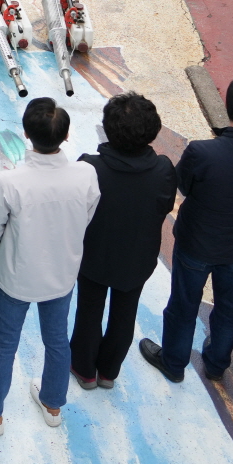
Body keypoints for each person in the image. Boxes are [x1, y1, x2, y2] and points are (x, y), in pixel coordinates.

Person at [141, 74, 233, 384]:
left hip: (196, 242)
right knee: (227, 310)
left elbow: (183, 185)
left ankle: (174, 362)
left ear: (227, 107)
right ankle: (216, 364)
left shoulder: (202, 151)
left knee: (183, 305)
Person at [0, 98, 99, 434]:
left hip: (16, 277)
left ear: (25, 133)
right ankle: (53, 404)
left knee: (4, 344)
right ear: (67, 136)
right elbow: (86, 216)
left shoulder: (9, 182)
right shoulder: (86, 174)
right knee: (57, 340)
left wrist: (6, 245)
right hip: (62, 274)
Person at [68, 95, 176, 390]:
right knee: (124, 314)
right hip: (137, 258)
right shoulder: (164, 169)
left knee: (89, 311)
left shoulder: (89, 167)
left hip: (94, 255)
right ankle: (108, 372)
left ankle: (84, 369)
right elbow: (163, 206)